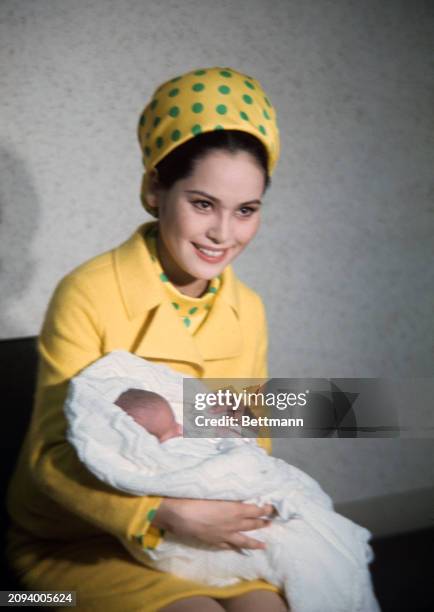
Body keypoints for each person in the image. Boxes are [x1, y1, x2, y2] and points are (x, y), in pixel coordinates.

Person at [6, 66, 290, 611]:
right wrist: (158, 513)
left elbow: (251, 430)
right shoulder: (86, 292)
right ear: (156, 188)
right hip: (75, 546)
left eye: (246, 211)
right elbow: (50, 459)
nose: (223, 235)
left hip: (201, 528)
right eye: (203, 204)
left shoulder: (248, 309)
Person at [63, 353, 380, 612]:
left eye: (174, 425)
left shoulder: (245, 309)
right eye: (160, 435)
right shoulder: (140, 455)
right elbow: (95, 469)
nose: (174, 434)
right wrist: (161, 511)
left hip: (240, 521)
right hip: (125, 539)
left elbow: (248, 453)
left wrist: (240, 425)